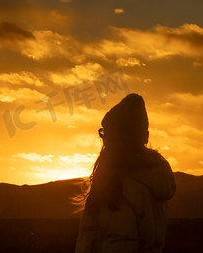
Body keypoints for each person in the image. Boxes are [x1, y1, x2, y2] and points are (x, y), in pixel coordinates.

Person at [75, 93, 176, 253]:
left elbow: (118, 244)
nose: (103, 138)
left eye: (105, 132)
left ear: (118, 137)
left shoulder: (121, 188)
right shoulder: (153, 180)